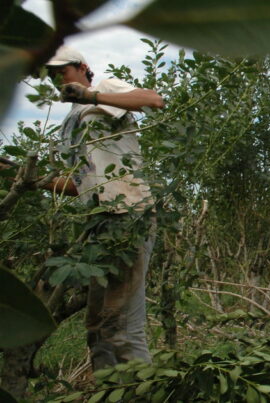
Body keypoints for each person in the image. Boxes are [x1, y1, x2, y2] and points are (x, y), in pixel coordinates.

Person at [44, 46, 164, 370]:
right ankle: (110, 391)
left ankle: (144, 392)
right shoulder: (68, 125)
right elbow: (79, 184)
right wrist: (22, 177)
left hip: (128, 215)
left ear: (82, 67)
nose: (59, 80)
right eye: (54, 76)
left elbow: (153, 100)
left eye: (64, 72)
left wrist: (90, 96)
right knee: (98, 329)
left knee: (122, 328)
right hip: (99, 223)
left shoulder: (104, 89)